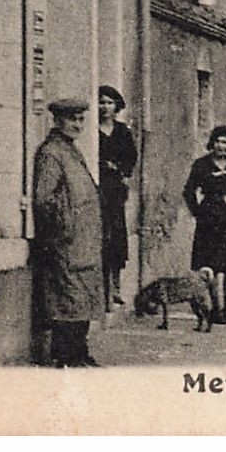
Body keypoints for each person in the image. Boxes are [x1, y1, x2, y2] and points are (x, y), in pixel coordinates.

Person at [32, 96, 104, 367]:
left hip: (82, 243)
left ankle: (80, 353)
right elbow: (44, 198)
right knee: (68, 301)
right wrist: (63, 229)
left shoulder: (71, 150)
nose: (78, 124)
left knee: (81, 299)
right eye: (72, 119)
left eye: (80, 119)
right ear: (58, 121)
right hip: (65, 242)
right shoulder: (51, 153)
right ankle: (65, 356)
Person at [183, 125, 226, 324]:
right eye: (218, 142)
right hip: (209, 220)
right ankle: (216, 309)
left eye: (225, 142)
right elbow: (189, 191)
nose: (221, 146)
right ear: (211, 143)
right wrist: (198, 213)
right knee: (210, 264)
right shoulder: (201, 165)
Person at [96, 85, 137, 309]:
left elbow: (131, 158)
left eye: (109, 103)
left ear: (116, 106)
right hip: (99, 189)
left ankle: (116, 286)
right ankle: (103, 289)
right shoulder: (92, 131)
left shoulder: (122, 131)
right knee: (103, 237)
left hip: (116, 190)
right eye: (101, 102)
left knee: (117, 238)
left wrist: (121, 169)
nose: (105, 107)